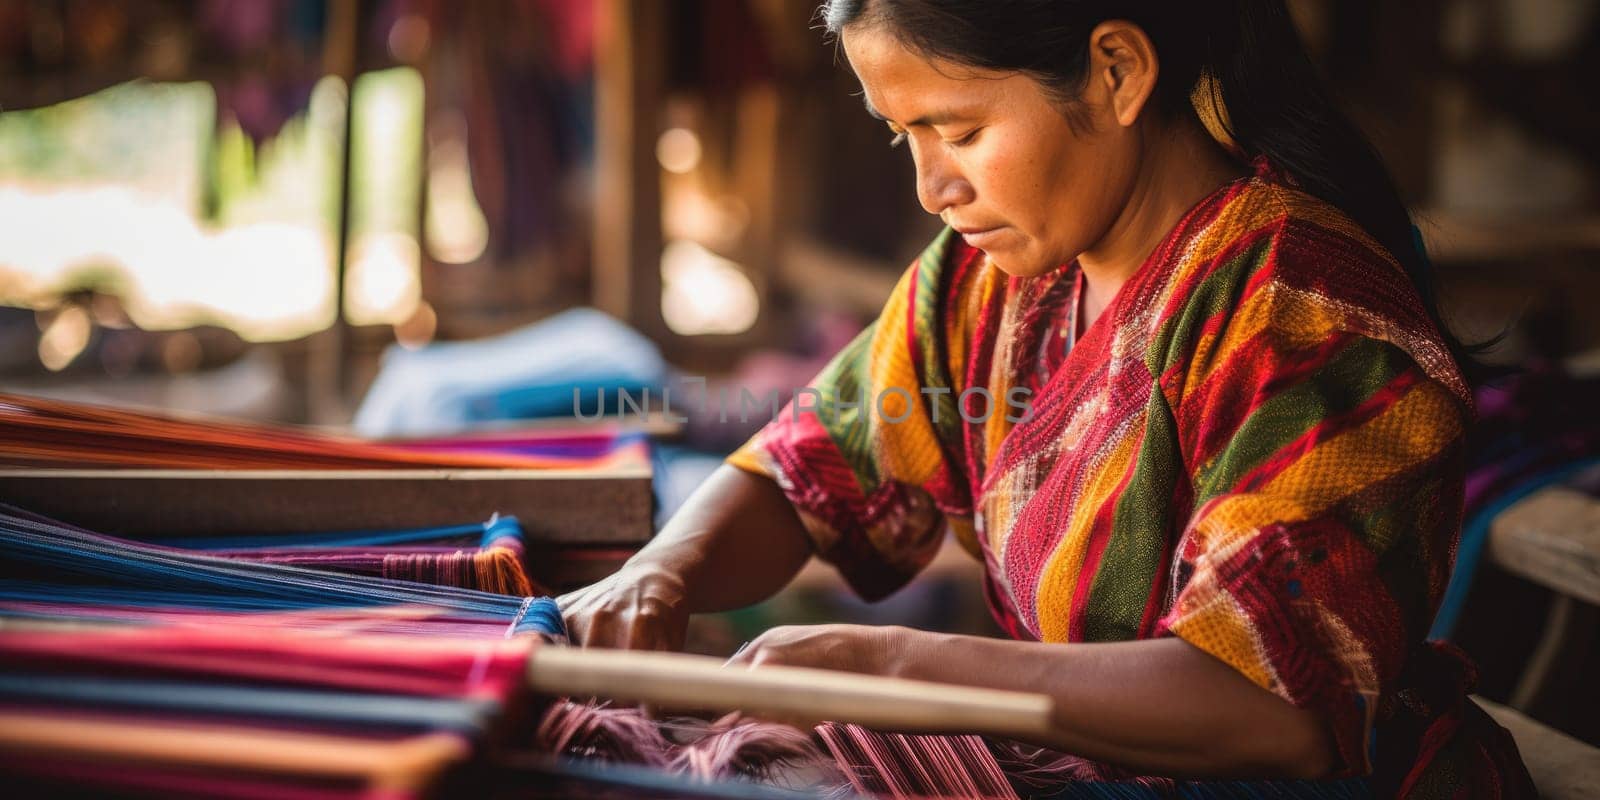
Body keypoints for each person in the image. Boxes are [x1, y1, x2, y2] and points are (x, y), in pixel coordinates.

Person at [559, 1, 1535, 794]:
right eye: (904, 135)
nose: (931, 185)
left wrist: (892, 665)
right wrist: (665, 568)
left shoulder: (1303, 311)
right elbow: (812, 466)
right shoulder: (993, 282)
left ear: (1115, 71)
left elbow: (1272, 711)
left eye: (960, 129)